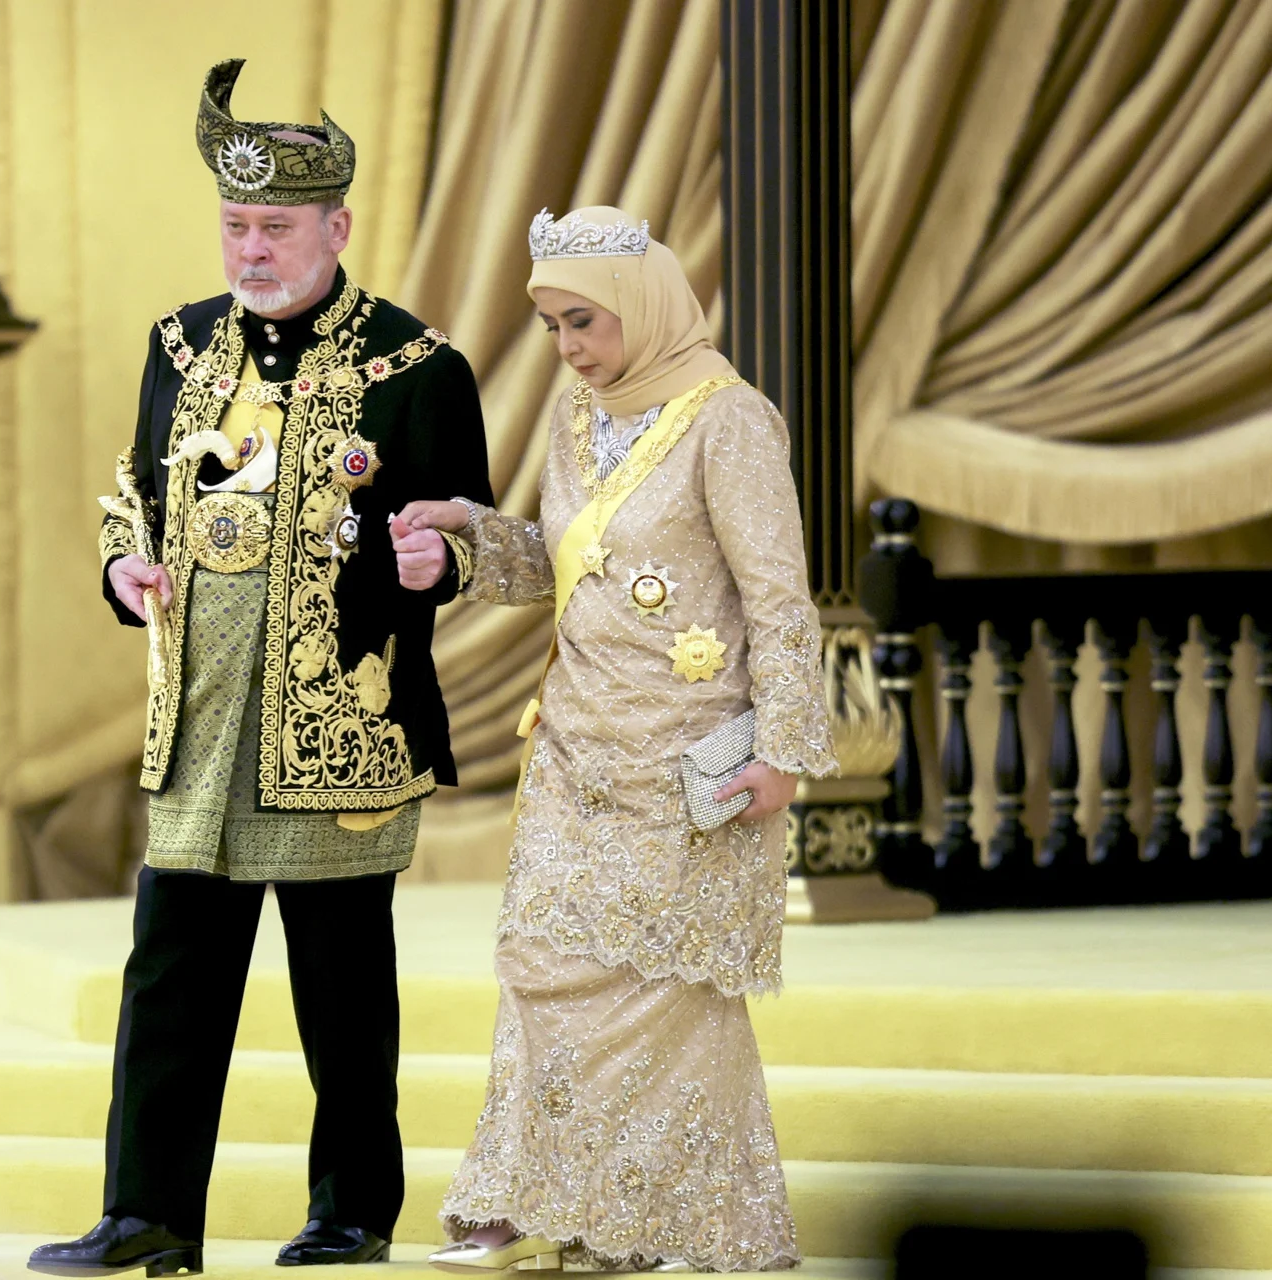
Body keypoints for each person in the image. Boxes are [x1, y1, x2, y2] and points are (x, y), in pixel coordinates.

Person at [27, 60, 493, 1278]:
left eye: (276, 228)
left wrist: (438, 557)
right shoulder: (178, 345)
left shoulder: (417, 366)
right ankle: (146, 1212)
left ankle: (351, 1210)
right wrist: (124, 563)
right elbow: (132, 489)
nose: (251, 250)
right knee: (168, 975)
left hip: (339, 724)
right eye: (235, 225)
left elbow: (472, 531)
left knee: (343, 989)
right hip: (198, 720)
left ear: (337, 227)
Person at [394, 206, 837, 1274]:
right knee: (539, 970)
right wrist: (470, 534)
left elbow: (780, 600)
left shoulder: (730, 421)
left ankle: (652, 1224)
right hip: (574, 744)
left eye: (582, 321)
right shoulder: (577, 416)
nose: (567, 347)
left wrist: (783, 750)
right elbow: (563, 562)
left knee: (668, 1000)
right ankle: (522, 1197)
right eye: (552, 326)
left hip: (688, 759)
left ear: (641, 305)